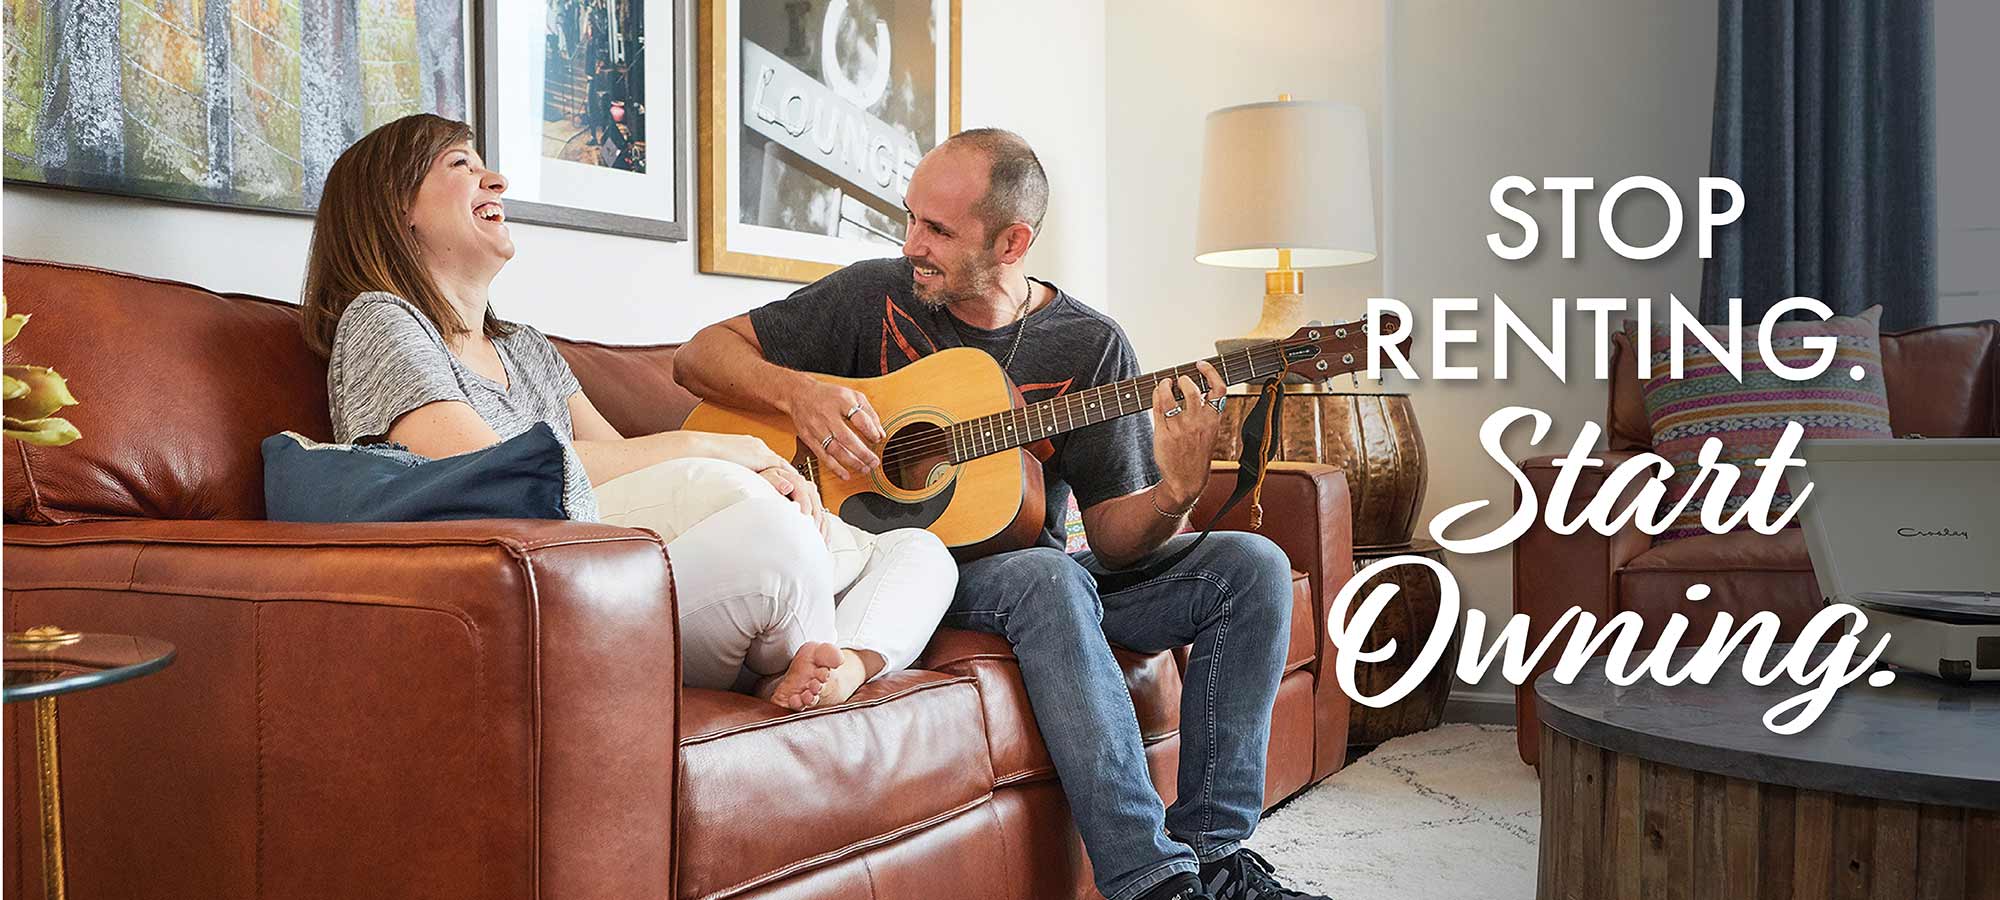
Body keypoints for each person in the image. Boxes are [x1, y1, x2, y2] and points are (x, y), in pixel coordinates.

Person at [675, 129, 1328, 900]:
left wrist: (1175, 493)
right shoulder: (868, 295)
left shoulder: (1089, 345)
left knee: (1248, 566)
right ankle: (1151, 884)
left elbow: (1117, 541)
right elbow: (698, 356)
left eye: (938, 230)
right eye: (911, 217)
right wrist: (800, 395)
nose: (912, 242)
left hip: (1041, 576)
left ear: (1013, 240)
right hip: (903, 575)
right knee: (1048, 576)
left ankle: (1213, 857)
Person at [299, 113, 955, 711]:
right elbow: (485, 475)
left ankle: (834, 669)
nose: (494, 177)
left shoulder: (526, 348)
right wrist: (726, 452)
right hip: (559, 594)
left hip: (635, 577)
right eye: (461, 166)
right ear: (396, 207)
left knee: (921, 553)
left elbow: (631, 481)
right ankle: (814, 610)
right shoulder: (380, 321)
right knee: (758, 515)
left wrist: (742, 478)